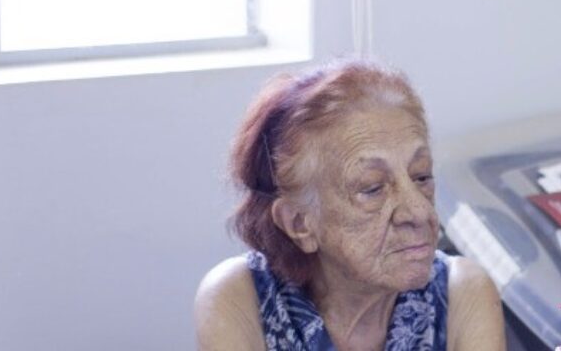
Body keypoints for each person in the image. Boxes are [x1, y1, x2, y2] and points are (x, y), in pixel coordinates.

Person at [193, 58, 505, 350]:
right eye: (372, 188)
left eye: (421, 177)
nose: (421, 212)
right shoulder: (238, 298)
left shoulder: (462, 292)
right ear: (299, 223)